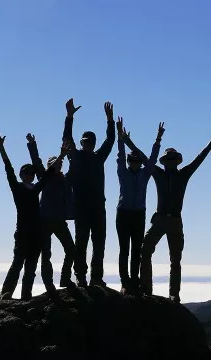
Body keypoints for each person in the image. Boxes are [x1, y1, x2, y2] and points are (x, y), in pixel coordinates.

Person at [139, 124, 211, 303]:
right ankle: (147, 288)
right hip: (161, 219)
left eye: (172, 159)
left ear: (176, 161)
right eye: (168, 159)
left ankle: (174, 294)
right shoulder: (159, 174)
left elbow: (200, 158)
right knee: (146, 251)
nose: (170, 161)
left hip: (174, 221)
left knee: (175, 259)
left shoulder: (183, 174)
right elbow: (143, 157)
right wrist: (128, 139)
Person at [0, 130, 70, 300]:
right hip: (23, 233)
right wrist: (1, 147)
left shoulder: (35, 189)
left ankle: (26, 296)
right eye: (26, 172)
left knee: (31, 268)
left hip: (37, 233)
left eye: (31, 173)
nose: (29, 174)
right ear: (21, 175)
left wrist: (62, 155)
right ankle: (6, 294)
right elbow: (8, 168)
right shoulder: (17, 188)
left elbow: (49, 174)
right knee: (17, 264)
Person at [62, 98, 115, 287]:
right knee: (82, 243)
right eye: (86, 141)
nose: (88, 144)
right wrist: (69, 117)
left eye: (91, 142)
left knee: (99, 244)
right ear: (82, 143)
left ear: (93, 143)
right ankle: (81, 276)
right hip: (82, 209)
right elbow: (67, 140)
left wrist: (110, 120)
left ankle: (96, 277)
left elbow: (110, 141)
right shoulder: (75, 158)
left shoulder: (99, 157)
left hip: (98, 207)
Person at [115, 117, 164, 295]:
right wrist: (120, 137)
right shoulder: (122, 172)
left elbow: (152, 159)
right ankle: (125, 283)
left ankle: (134, 281)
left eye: (137, 161)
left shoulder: (145, 174)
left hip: (139, 214)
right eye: (131, 161)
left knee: (136, 249)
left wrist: (158, 139)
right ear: (128, 162)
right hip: (123, 214)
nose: (134, 163)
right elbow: (120, 154)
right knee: (124, 250)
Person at [26, 132, 77, 289]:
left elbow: (75, 167)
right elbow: (36, 160)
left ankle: (64, 278)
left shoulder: (65, 180)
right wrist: (32, 144)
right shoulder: (44, 177)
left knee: (71, 249)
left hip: (60, 220)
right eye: (55, 164)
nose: (58, 165)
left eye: (60, 163)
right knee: (46, 254)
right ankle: (48, 284)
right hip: (45, 220)